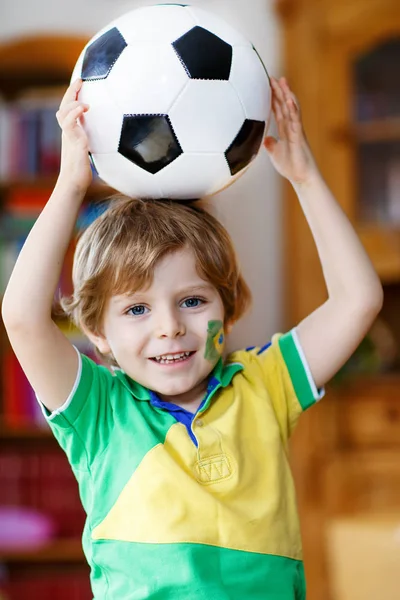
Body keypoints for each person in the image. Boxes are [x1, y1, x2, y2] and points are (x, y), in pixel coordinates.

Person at [2, 76, 383, 599]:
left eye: (192, 301)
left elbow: (358, 300)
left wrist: (305, 177)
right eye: (136, 308)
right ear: (98, 333)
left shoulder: (265, 384)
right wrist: (71, 183)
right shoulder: (100, 411)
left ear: (227, 313)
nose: (169, 327)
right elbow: (22, 316)